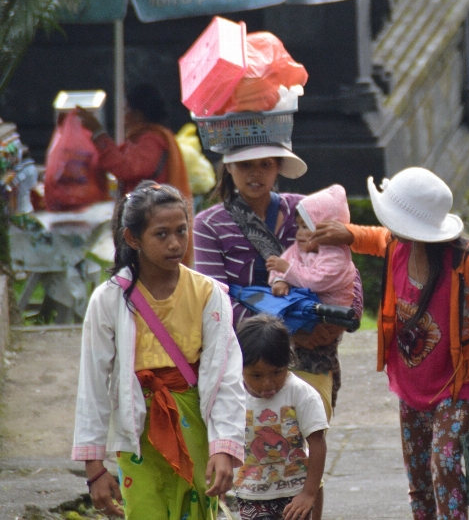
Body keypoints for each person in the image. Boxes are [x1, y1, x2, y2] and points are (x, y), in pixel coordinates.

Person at [310, 167, 469, 520]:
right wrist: (347, 234)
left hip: (453, 386)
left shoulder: (468, 261)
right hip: (409, 385)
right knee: (418, 479)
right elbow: (376, 238)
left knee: (443, 466)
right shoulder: (399, 244)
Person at [72, 181, 245, 518]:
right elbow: (92, 386)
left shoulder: (209, 294)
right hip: (137, 432)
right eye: (161, 234)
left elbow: (226, 376)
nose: (175, 243)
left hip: (194, 424)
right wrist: (95, 469)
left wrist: (224, 447)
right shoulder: (108, 300)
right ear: (133, 238)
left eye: (182, 231)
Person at [193, 144, 362, 422]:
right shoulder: (209, 225)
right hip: (248, 357)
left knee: (306, 437)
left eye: (265, 164)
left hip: (314, 346)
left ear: (278, 167)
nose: (255, 173)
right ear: (229, 168)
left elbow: (342, 266)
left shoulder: (305, 210)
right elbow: (215, 301)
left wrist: (340, 319)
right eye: (245, 165)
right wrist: (288, 335)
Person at [235, 314, 329, 520]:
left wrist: (309, 493)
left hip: (294, 496)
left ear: (289, 361)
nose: (267, 384)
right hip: (249, 495)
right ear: (238, 366)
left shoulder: (301, 394)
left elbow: (317, 443)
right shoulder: (232, 396)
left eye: (276, 372)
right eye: (256, 376)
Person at [76, 84, 191, 201]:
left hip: (152, 212)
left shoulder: (152, 141)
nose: (124, 115)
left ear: (137, 115)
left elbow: (125, 168)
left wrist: (98, 133)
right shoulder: (143, 139)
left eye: (126, 109)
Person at [266, 184, 357, 305]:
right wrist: (279, 280)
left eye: (305, 226)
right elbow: (282, 264)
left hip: (334, 316)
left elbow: (316, 282)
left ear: (324, 228)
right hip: (309, 310)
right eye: (298, 227)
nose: (299, 233)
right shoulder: (299, 248)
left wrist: (288, 269)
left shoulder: (336, 255)